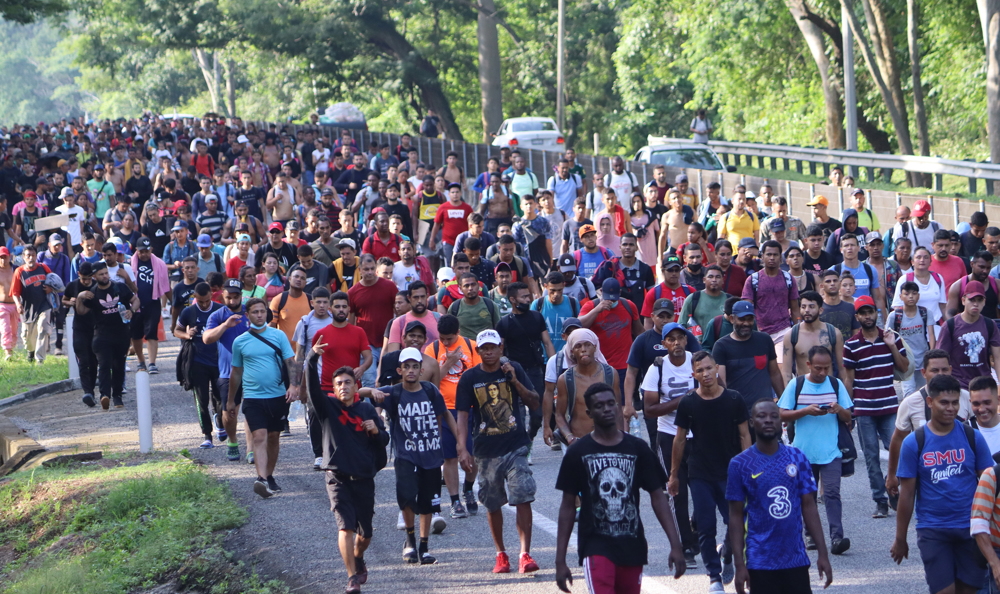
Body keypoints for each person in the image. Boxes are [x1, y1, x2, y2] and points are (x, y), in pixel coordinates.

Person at [554, 382, 687, 594]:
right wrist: (560, 560)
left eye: (610, 404)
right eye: (599, 406)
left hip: (632, 546)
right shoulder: (578, 452)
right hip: (595, 546)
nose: (606, 409)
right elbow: (568, 506)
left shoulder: (637, 448)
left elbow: (658, 496)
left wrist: (676, 544)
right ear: (589, 413)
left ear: (618, 407)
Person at [892, 374, 993, 594]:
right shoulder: (914, 442)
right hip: (933, 529)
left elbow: (990, 484)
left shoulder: (973, 437)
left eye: (955, 403)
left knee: (969, 590)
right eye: (944, 402)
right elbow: (907, 495)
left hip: (970, 530)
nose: (951, 408)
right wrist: (900, 538)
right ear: (930, 402)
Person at [455, 329, 541, 574]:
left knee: (523, 494)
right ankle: (501, 554)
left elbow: (534, 402)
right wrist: (462, 448)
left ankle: (525, 554)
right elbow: (462, 415)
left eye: (493, 347)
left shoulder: (513, 369)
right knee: (492, 503)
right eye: (484, 348)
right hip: (486, 451)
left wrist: (514, 380)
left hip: (516, 446)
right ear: (478, 351)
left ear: (501, 348)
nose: (489, 352)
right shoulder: (469, 378)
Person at [366, 347, 461, 565]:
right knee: (407, 498)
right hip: (406, 455)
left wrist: (460, 443)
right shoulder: (394, 392)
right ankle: (410, 540)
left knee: (427, 503)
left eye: (415, 367)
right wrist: (372, 391)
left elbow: (445, 413)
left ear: (421, 370)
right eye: (406, 366)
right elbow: (360, 392)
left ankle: (424, 546)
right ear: (399, 370)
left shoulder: (430, 390)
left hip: (430, 454)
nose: (411, 370)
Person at [727, 399, 833, 594]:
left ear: (781, 422)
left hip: (795, 560)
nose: (768, 420)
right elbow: (735, 516)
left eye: (774, 416)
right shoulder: (740, 464)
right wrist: (739, 565)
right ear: (752, 422)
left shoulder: (797, 457)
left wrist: (823, 553)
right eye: (761, 416)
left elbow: (809, 506)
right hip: (759, 562)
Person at [303, 359, 389, 594]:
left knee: (365, 533)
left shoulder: (367, 410)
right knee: (345, 527)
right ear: (333, 388)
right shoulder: (327, 407)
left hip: (363, 478)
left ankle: (358, 556)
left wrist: (375, 431)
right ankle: (352, 578)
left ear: (356, 386)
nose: (343, 386)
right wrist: (312, 358)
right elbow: (312, 389)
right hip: (337, 477)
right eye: (339, 383)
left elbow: (384, 440)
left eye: (348, 382)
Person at [671, 351, 751, 590]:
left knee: (737, 523)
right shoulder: (688, 402)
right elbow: (679, 440)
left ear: (716, 368)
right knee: (706, 527)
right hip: (700, 473)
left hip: (730, 472)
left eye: (708, 368)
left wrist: (748, 469)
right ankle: (714, 577)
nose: (705, 373)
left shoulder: (734, 399)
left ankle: (727, 553)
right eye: (700, 370)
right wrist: (674, 475)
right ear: (693, 374)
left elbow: (744, 435)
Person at [778, 345, 854, 556]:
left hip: (831, 452)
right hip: (802, 454)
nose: (822, 372)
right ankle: (810, 534)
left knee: (832, 493)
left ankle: (837, 537)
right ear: (808, 365)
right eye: (818, 368)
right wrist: (805, 411)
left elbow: (848, 416)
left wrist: (839, 409)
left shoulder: (835, 384)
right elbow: (781, 414)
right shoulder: (797, 384)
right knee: (808, 496)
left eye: (826, 368)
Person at [843, 295, 909, 518]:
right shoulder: (851, 345)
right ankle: (880, 500)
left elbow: (904, 367)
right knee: (871, 456)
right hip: (864, 409)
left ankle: (894, 489)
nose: (867, 316)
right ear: (857, 317)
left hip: (889, 406)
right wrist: (848, 410)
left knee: (897, 451)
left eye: (870, 311)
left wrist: (891, 346)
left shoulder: (891, 337)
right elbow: (849, 380)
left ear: (876, 313)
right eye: (863, 313)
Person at [640, 322, 700, 565]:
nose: (676, 343)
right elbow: (649, 409)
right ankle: (686, 546)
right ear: (664, 343)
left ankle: (696, 528)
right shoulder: (657, 368)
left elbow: (716, 390)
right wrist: (683, 401)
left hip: (700, 435)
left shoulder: (697, 362)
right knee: (678, 493)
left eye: (680, 338)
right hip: (669, 435)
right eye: (671, 339)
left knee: (705, 491)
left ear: (686, 340)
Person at [229, 297, 300, 498]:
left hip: (278, 396)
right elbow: (236, 372)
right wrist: (231, 400)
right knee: (259, 436)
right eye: (255, 312)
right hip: (253, 397)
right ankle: (261, 479)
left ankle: (269, 476)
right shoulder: (240, 341)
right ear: (247, 315)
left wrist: (293, 386)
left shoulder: (278, 335)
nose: (259, 315)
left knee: (274, 436)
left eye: (262, 311)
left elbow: (291, 362)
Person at [424, 315, 481, 518]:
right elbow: (429, 384)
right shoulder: (432, 350)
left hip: (470, 409)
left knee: (473, 455)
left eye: (449, 338)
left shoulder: (471, 346)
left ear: (458, 332)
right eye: (442, 338)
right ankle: (455, 500)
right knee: (450, 457)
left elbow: (479, 375)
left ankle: (469, 489)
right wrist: (448, 363)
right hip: (445, 410)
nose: (445, 342)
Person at [496, 280, 556, 461]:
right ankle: (522, 449)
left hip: (535, 371)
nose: (528, 299)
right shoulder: (504, 323)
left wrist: (554, 365)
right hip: (513, 374)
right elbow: (499, 351)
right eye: (523, 297)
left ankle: (529, 439)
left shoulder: (537, 318)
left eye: (528, 296)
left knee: (537, 415)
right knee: (519, 415)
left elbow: (547, 343)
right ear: (513, 300)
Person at [75, 262, 137, 410]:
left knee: (119, 365)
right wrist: (79, 298)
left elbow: (135, 300)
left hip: (121, 333)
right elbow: (81, 311)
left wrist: (132, 311)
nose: (104, 276)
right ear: (94, 277)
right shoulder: (92, 293)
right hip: (102, 335)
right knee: (104, 365)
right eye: (101, 274)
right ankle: (105, 395)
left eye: (106, 273)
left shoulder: (119, 287)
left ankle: (117, 395)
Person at [174, 283, 225, 448]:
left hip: (218, 361)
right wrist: (187, 334)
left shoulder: (220, 310)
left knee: (221, 397)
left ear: (211, 295)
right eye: (201, 301)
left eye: (207, 300)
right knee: (201, 400)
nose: (204, 304)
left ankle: (220, 421)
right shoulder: (188, 312)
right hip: (197, 362)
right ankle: (207, 435)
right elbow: (176, 330)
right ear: (195, 298)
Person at [712, 300, 785, 414]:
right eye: (741, 319)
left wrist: (784, 403)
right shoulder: (721, 346)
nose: (746, 323)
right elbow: (721, 384)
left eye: (750, 319)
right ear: (732, 319)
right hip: (738, 412)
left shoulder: (765, 340)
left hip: (765, 412)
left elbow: (775, 373)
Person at [553, 329, 619, 441]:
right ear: (572, 351)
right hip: (578, 441)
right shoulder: (565, 379)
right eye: (578, 346)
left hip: (608, 440)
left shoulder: (610, 374)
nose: (583, 349)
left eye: (587, 345)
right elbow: (559, 415)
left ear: (595, 347)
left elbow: (618, 410)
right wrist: (570, 438)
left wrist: (621, 437)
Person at [742, 240, 800, 363]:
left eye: (775, 254)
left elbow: (795, 309)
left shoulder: (789, 279)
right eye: (769, 254)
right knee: (761, 368)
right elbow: (747, 310)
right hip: (759, 332)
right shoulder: (753, 280)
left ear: (781, 257)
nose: (772, 258)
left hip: (783, 331)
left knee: (782, 367)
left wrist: (798, 332)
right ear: (762, 256)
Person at [937, 280, 1000, 389]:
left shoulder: (990, 324)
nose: (975, 304)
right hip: (958, 385)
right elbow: (940, 359)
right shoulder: (950, 325)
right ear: (963, 300)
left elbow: (997, 358)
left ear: (984, 302)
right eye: (972, 300)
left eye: (979, 300)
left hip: (984, 384)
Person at [349, 254, 398, 387]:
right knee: (369, 382)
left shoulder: (389, 286)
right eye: (366, 269)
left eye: (372, 269)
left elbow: (399, 310)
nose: (369, 272)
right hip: (366, 344)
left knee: (389, 380)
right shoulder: (353, 292)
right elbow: (351, 321)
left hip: (388, 341)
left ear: (376, 269)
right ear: (360, 270)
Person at [781, 291, 846, 383]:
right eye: (803, 307)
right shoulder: (791, 335)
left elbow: (842, 369)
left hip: (828, 387)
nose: (807, 310)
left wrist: (843, 390)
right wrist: (790, 391)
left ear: (820, 310)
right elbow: (786, 372)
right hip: (803, 388)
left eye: (811, 307)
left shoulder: (834, 333)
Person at [887, 280, 939, 394]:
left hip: (923, 359)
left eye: (914, 293)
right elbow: (888, 336)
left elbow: (931, 334)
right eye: (906, 294)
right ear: (900, 296)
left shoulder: (926, 313)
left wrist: (932, 354)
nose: (911, 296)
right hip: (905, 360)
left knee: (924, 391)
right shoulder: (894, 316)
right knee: (909, 392)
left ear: (918, 296)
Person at [62, 261, 99, 406]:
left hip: (95, 327)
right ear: (79, 275)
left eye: (89, 279)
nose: (86, 282)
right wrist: (72, 301)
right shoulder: (73, 285)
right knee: (83, 360)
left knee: (93, 361)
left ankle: (92, 390)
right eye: (84, 279)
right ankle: (87, 392)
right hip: (79, 327)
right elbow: (64, 300)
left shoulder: (97, 285)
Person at [591, 233, 656, 314]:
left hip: (639, 316)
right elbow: (594, 288)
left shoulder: (646, 269)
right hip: (613, 315)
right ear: (620, 247)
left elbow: (652, 296)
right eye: (624, 244)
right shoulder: (609, 267)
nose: (627, 247)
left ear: (636, 247)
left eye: (631, 244)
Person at [11, 244, 53, 363]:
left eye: (33, 255)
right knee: (27, 337)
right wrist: (18, 305)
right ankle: (31, 353)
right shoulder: (19, 272)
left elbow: (53, 281)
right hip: (27, 309)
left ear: (36, 256)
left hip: (44, 305)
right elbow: (14, 292)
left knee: (43, 328)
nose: (31, 258)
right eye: (28, 255)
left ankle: (40, 360)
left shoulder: (43, 268)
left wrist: (50, 288)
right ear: (24, 257)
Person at [892, 246, 948, 320]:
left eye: (926, 257)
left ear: (930, 262)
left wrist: (948, 324)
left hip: (935, 323)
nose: (922, 260)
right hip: (912, 324)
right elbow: (897, 306)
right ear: (912, 262)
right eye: (918, 257)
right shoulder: (904, 279)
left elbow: (943, 306)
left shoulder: (938, 278)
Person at [641, 256, 696, 326]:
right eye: (670, 270)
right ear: (663, 271)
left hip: (685, 331)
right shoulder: (653, 293)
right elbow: (648, 321)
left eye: (677, 270)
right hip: (662, 331)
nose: (674, 273)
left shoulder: (690, 291)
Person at [947, 251, 1000, 320]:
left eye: (988, 268)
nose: (985, 271)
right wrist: (955, 325)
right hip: (966, 325)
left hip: (991, 325)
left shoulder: (997, 284)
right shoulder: (958, 286)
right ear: (972, 264)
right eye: (982, 267)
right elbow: (949, 313)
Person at [429, 182, 472, 267]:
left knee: (465, 263)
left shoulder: (467, 208)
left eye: (457, 192)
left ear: (460, 193)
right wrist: (432, 240)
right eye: (453, 192)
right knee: (450, 264)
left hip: (464, 241)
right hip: (448, 242)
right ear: (449, 194)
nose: (455, 194)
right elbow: (437, 224)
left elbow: (471, 224)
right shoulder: (443, 207)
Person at [678, 264, 726, 341]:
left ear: (723, 280)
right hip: (700, 345)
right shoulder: (693, 298)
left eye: (717, 277)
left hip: (723, 345)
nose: (714, 280)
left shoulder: (729, 300)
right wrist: (692, 342)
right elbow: (681, 325)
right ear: (704, 280)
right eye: (710, 277)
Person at [448, 272, 500, 339]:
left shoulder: (490, 305)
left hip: (487, 344)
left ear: (478, 286)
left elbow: (499, 329)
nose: (470, 288)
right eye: (466, 286)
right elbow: (450, 333)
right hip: (464, 345)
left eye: (473, 285)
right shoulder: (454, 308)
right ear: (460, 288)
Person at [269, 268, 311, 345]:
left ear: (305, 282)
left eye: (302, 278)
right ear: (289, 279)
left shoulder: (311, 301)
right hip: (284, 349)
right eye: (296, 276)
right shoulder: (278, 300)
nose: (299, 280)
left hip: (306, 349)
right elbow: (271, 327)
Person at [170, 257, 203, 335]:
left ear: (197, 269)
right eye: (187, 268)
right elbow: (175, 308)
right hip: (185, 322)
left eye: (193, 267)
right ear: (183, 270)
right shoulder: (178, 288)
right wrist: (173, 325)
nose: (190, 270)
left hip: (201, 320)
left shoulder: (202, 284)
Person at [0, 247, 16, 360]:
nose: (3, 260)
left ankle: (12, 350)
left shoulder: (15, 269)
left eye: (5, 257)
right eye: (1, 258)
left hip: (15, 304)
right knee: (5, 329)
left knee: (14, 331)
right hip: (2, 305)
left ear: (9, 257)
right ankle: (7, 352)